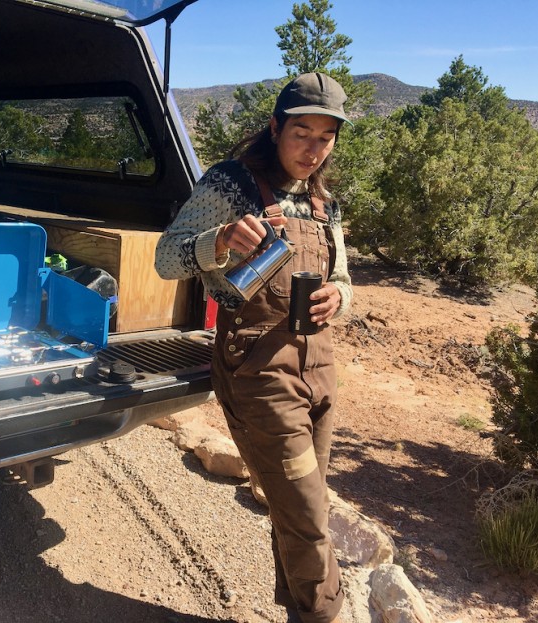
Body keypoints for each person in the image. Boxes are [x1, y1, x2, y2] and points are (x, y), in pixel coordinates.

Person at [154, 72, 353, 623]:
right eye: (300, 134)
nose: (312, 150)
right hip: (257, 368)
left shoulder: (324, 202)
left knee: (296, 511)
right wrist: (217, 241)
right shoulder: (229, 184)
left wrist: (340, 297)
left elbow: (347, 280)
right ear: (275, 128)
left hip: (319, 368)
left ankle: (298, 612)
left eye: (325, 137)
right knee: (309, 515)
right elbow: (166, 258)